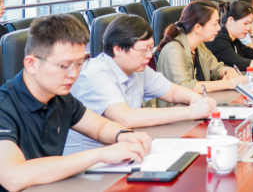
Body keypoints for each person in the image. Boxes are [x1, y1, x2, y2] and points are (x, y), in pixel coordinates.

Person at [0, 15, 152, 192]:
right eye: (65, 66)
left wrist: (124, 136)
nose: (73, 74)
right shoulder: (4, 107)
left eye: (80, 63)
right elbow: (14, 177)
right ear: (31, 64)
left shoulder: (59, 97)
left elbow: (99, 127)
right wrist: (100, 154)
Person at [65, 15, 217, 154]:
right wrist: (190, 112)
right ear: (118, 49)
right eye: (143, 50)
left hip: (122, 150)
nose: (149, 55)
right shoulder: (96, 74)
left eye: (150, 48)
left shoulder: (137, 68)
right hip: (90, 161)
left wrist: (197, 100)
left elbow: (171, 91)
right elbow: (126, 118)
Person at [156, 0, 244, 107]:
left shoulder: (199, 46)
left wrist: (227, 70)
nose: (218, 28)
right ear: (198, 28)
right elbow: (185, 86)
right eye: (215, 24)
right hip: (176, 112)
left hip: (197, 107)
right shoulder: (173, 50)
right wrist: (226, 84)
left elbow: (216, 68)